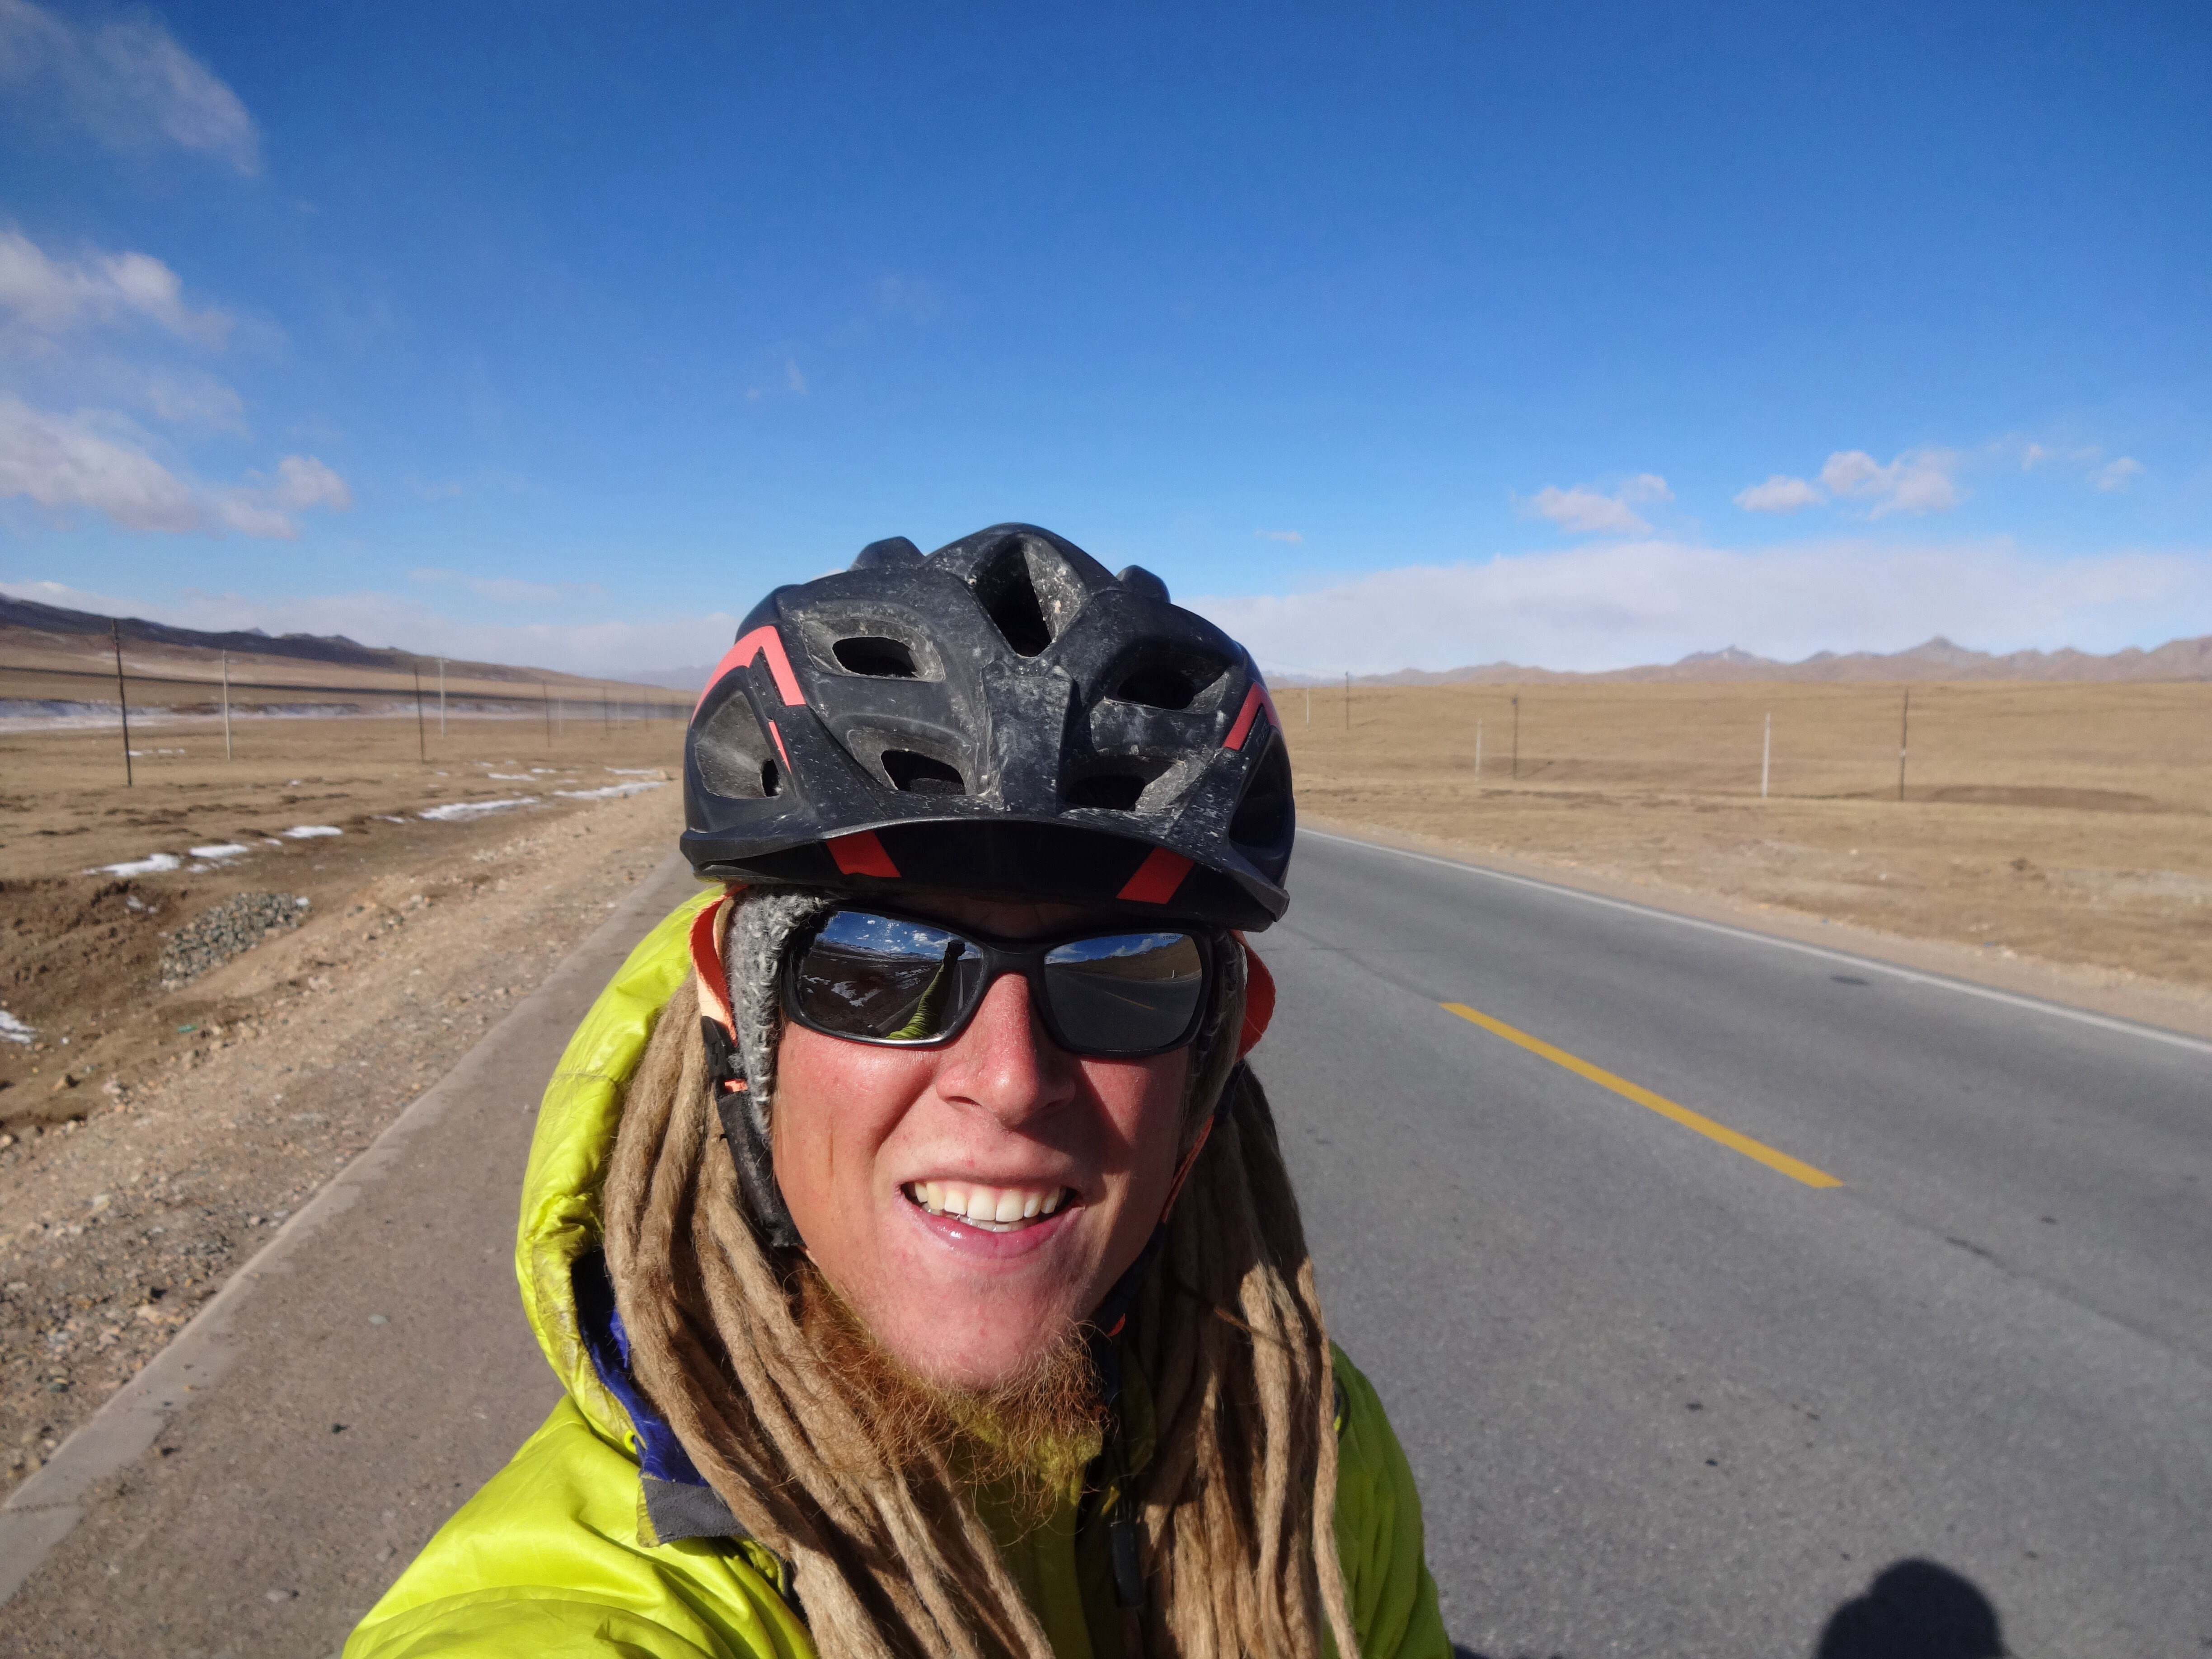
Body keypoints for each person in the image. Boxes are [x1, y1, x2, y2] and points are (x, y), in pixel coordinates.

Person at [346, 525, 1448, 1659]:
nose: (1011, 1081)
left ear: (1220, 1048)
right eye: (880, 968)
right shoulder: (589, 1611)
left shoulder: (1309, 1451)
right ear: (740, 1014)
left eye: (1121, 976)